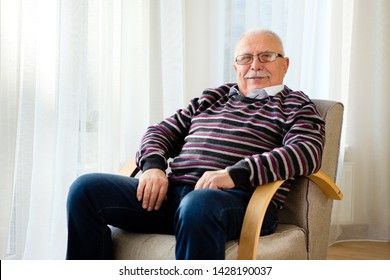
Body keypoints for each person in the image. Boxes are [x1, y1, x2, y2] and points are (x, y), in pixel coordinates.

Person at [66, 28, 325, 260]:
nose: (255, 65)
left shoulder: (296, 104)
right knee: (85, 190)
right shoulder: (213, 97)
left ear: (285, 64)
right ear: (236, 67)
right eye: (245, 58)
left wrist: (234, 174)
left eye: (266, 56)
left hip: (236, 201)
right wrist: (153, 166)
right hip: (172, 196)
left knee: (198, 205)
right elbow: (161, 130)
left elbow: (305, 152)